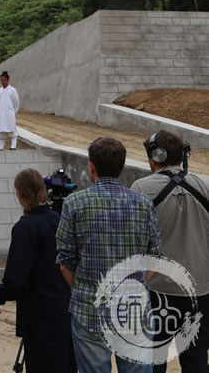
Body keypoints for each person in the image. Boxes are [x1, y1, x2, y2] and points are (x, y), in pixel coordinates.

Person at [56, 137, 162, 373]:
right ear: (121, 167)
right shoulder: (144, 204)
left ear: (91, 167)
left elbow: (64, 263)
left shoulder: (74, 203)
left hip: (89, 310)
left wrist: (83, 291)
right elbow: (154, 258)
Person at [131, 130, 209, 373]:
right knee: (196, 361)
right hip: (200, 291)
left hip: (158, 291)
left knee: (154, 362)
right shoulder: (205, 185)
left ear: (156, 156)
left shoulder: (141, 188)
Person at [0, 168, 76, 373]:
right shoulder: (59, 220)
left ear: (19, 194)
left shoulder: (25, 228)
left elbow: (16, 278)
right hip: (65, 313)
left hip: (39, 320)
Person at [0, 71, 20, 151]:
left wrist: (13, 112)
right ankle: (1, 147)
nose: (2, 82)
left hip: (10, 114)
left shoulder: (12, 90)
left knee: (12, 130)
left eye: (4, 80)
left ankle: (13, 146)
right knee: (1, 131)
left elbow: (16, 103)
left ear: (8, 80)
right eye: (1, 80)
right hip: (1, 114)